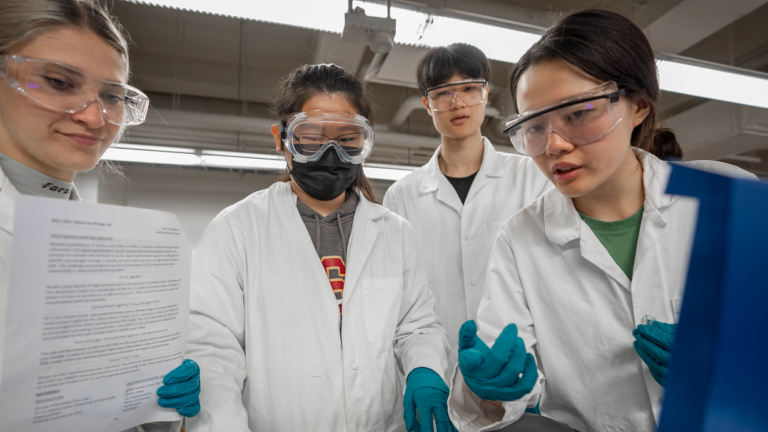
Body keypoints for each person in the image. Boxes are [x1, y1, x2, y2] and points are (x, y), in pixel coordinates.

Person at [447, 9, 757, 432]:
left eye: (578, 113)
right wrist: (487, 389)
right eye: (534, 126)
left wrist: (727, 363)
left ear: (639, 107)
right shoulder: (521, 239)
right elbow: (505, 397)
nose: (553, 145)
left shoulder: (729, 197)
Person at [180, 63, 453, 432]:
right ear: (281, 138)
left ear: (363, 143)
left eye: (347, 138)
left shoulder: (394, 233)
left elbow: (416, 326)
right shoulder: (238, 228)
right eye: (310, 136)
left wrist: (424, 370)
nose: (330, 152)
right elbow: (213, 351)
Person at [0, 1, 178, 431]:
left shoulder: (96, 237)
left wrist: (151, 404)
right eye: (59, 82)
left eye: (113, 96)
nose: (95, 117)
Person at [383, 44, 551, 373]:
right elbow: (400, 300)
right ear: (426, 104)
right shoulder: (400, 197)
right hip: (436, 367)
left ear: (485, 94)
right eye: (443, 92)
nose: (457, 102)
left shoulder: (531, 179)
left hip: (519, 365)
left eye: (469, 89)